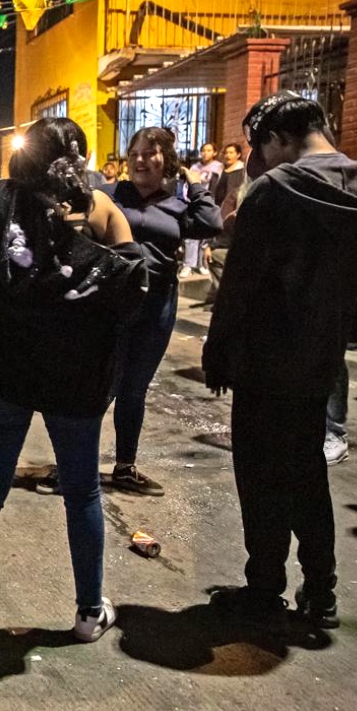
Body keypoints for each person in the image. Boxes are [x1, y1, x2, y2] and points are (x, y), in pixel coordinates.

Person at [0, 117, 147, 648]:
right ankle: (90, 612)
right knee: (82, 492)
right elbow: (134, 283)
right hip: (76, 375)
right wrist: (116, 235)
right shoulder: (94, 207)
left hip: (3, 369)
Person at [203, 92, 357, 630]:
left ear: (280, 138)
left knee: (260, 476)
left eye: (264, 147)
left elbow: (239, 284)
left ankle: (265, 587)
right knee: (307, 474)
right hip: (320, 357)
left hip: (264, 358)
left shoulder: (276, 190)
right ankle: (321, 590)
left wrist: (219, 351)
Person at [100, 128, 221, 496]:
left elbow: (212, 223)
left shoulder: (178, 204)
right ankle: (75, 462)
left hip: (156, 307)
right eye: (133, 152)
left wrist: (193, 183)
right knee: (99, 385)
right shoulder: (110, 195)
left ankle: (124, 466)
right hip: (110, 306)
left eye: (149, 153)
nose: (139, 160)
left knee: (133, 389)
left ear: (166, 160)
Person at [204, 142, 247, 304]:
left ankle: (227, 297)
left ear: (238, 154)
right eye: (226, 152)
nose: (227, 155)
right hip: (220, 215)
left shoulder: (242, 173)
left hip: (232, 219)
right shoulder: (219, 172)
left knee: (217, 256)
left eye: (231, 152)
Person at [181, 142, 224, 276]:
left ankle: (201, 264)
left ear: (214, 153)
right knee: (191, 236)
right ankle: (188, 264)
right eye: (203, 150)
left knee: (205, 236)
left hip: (209, 202)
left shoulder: (218, 167)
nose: (205, 153)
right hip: (194, 202)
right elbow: (187, 186)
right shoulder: (195, 167)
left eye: (209, 150)